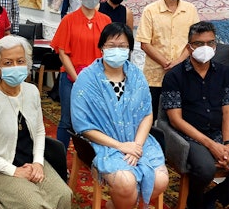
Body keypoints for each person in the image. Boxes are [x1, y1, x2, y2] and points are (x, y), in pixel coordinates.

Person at [71, 23, 169, 209]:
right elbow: (83, 125)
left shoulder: (137, 76)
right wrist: (120, 146)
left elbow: (147, 114)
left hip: (137, 140)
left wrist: (137, 146)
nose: (117, 50)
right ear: (101, 48)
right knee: (125, 182)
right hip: (104, 143)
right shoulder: (87, 79)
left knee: (160, 181)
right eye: (111, 45)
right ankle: (120, 204)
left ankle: (117, 205)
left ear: (130, 49)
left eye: (123, 46)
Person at [0, 35, 73, 209]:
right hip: (0, 166)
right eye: (8, 63)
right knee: (35, 205)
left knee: (64, 196)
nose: (15, 67)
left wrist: (38, 162)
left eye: (20, 61)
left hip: (30, 159)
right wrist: (14, 171)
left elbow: (39, 131)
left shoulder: (31, 91)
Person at [161, 21, 229, 209]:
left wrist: (228, 144)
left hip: (218, 133)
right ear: (189, 47)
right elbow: (175, 120)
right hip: (189, 137)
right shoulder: (174, 76)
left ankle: (212, 198)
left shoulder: (225, 73)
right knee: (205, 169)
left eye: (210, 43)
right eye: (199, 44)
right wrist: (211, 145)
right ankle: (194, 202)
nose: (205, 48)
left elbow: (228, 111)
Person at [50, 0, 111, 150]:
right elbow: (62, 52)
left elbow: (108, 52)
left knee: (95, 121)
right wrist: (78, 79)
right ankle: (60, 160)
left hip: (98, 81)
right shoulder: (69, 20)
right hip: (71, 79)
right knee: (67, 120)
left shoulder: (106, 21)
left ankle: (92, 159)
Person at [137, 0, 200, 118]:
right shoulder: (150, 10)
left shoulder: (190, 10)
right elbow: (145, 43)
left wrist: (178, 62)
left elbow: (195, 42)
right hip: (155, 77)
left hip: (183, 76)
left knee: (180, 120)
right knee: (152, 120)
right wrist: (166, 63)